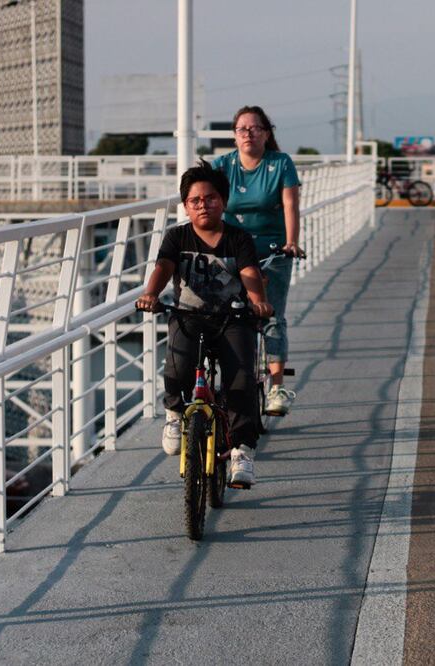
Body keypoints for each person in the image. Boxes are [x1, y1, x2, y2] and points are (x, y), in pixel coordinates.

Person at [137, 160, 274, 488]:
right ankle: (173, 414)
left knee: (241, 380)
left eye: (211, 198)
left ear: (224, 202)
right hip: (189, 317)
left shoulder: (238, 239)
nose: (203, 205)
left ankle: (242, 451)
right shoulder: (177, 236)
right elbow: (163, 267)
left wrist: (258, 302)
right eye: (195, 200)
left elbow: (250, 273)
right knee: (177, 367)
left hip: (234, 318)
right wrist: (150, 294)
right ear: (185, 206)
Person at [212, 105, 304, 417]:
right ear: (234, 137)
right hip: (232, 251)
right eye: (242, 129)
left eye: (255, 128)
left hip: (272, 250)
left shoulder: (280, 163)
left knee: (272, 316)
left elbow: (290, 204)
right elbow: (206, 202)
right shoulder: (223, 165)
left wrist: (291, 243)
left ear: (266, 133)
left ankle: (277, 387)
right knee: (225, 313)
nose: (248, 134)